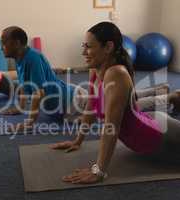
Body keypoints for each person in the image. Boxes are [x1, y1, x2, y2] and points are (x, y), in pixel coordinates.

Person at [50, 22, 180, 184]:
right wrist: (78, 140)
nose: (84, 52)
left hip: (160, 137)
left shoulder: (116, 74)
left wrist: (99, 171)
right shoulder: (96, 70)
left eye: (89, 47)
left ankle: (175, 97)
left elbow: (111, 127)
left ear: (108, 47)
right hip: (151, 121)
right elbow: (90, 108)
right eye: (84, 45)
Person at [0, 26, 75, 132]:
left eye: (3, 43)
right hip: (60, 106)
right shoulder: (19, 58)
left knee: (88, 118)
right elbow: (23, 85)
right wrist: (20, 108)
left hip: (73, 102)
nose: (1, 48)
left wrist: (29, 123)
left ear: (16, 43)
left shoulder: (33, 58)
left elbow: (39, 92)